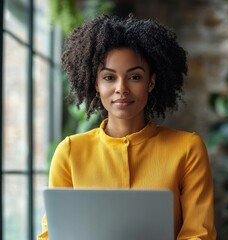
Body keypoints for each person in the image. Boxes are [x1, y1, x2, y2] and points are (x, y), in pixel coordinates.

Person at [38, 14, 216, 240]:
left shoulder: (188, 149)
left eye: (134, 76)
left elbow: (199, 234)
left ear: (151, 82)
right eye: (109, 77)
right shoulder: (70, 152)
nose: (121, 88)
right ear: (96, 83)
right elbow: (53, 234)